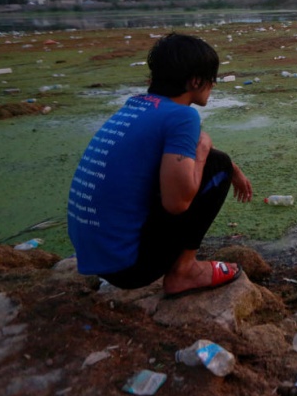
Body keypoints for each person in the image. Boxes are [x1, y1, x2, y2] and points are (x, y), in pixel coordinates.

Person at [67, 33, 252, 296]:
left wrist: (233, 167)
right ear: (196, 80)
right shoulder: (182, 116)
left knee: (215, 162)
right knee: (217, 164)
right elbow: (177, 204)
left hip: (97, 256)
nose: (214, 84)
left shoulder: (136, 107)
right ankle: (184, 272)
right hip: (131, 267)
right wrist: (205, 149)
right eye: (212, 78)